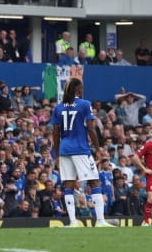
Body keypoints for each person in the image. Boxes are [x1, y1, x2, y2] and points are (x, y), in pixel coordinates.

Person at [51, 78, 114, 228]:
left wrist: (58, 154)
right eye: (82, 88)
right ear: (78, 90)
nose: (83, 90)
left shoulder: (59, 107)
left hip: (65, 149)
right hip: (80, 149)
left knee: (69, 185)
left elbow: (55, 133)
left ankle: (73, 222)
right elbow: (91, 129)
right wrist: (98, 149)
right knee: (94, 181)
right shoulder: (85, 104)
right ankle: (100, 221)